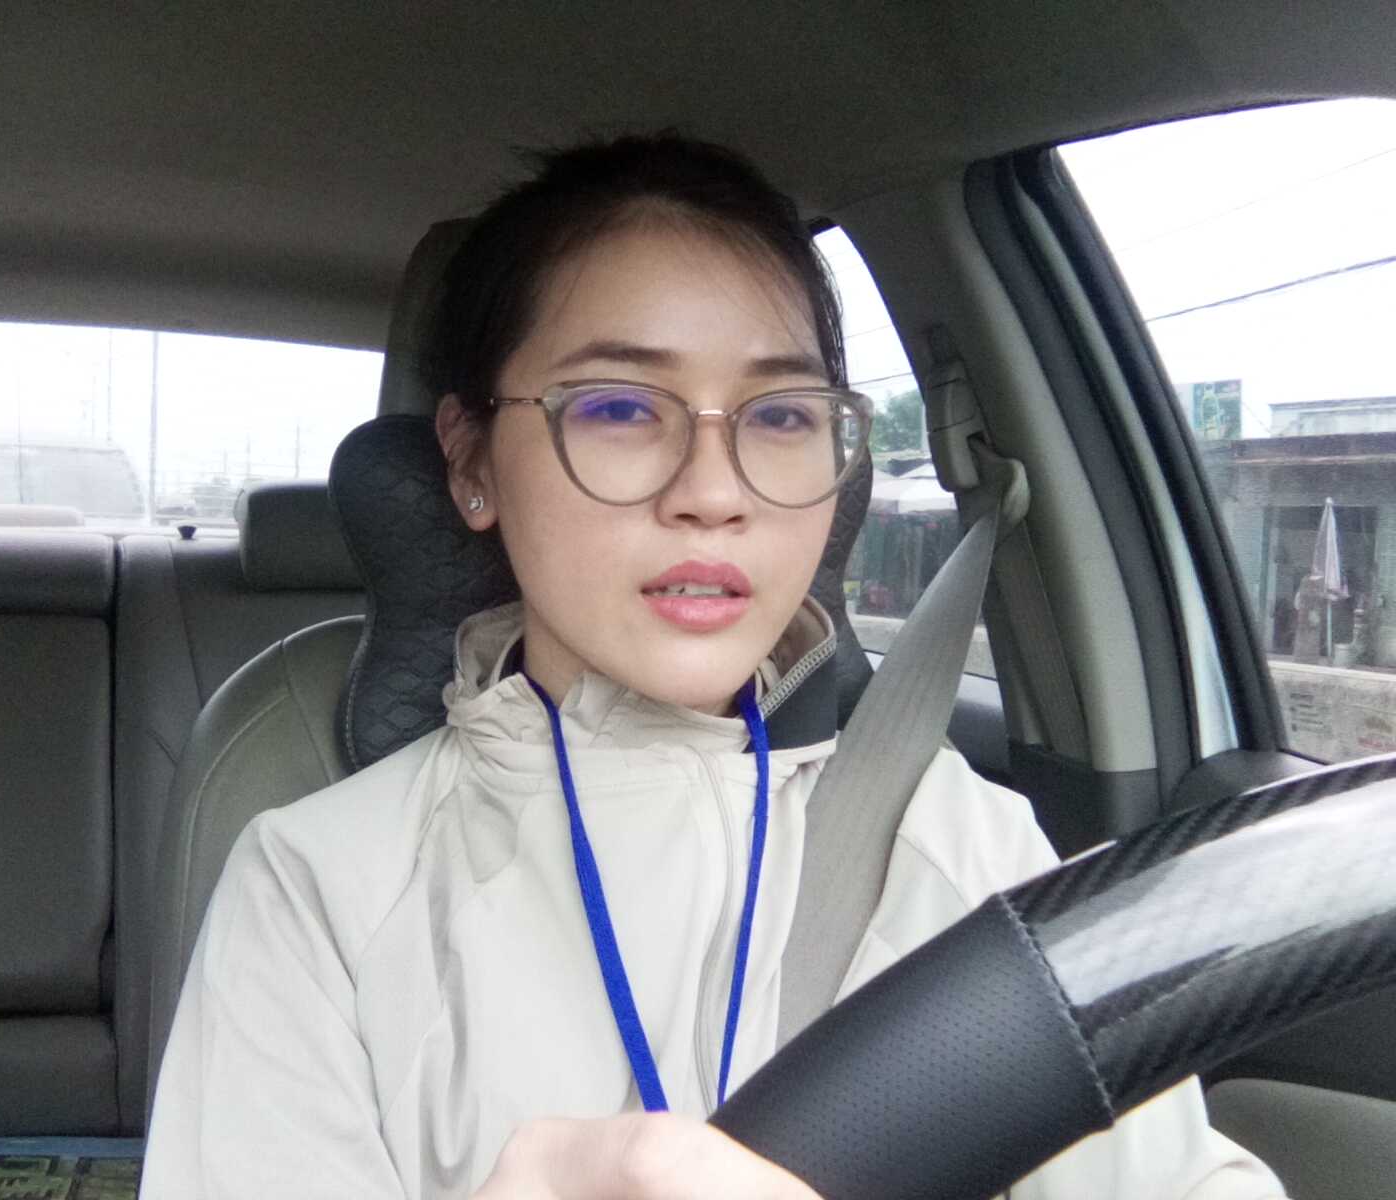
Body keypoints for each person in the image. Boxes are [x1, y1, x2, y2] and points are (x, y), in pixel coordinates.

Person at [140, 133, 1286, 1199]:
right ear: (471, 462)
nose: (713, 489)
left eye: (779, 416)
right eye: (618, 406)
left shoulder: (959, 844)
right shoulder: (320, 889)